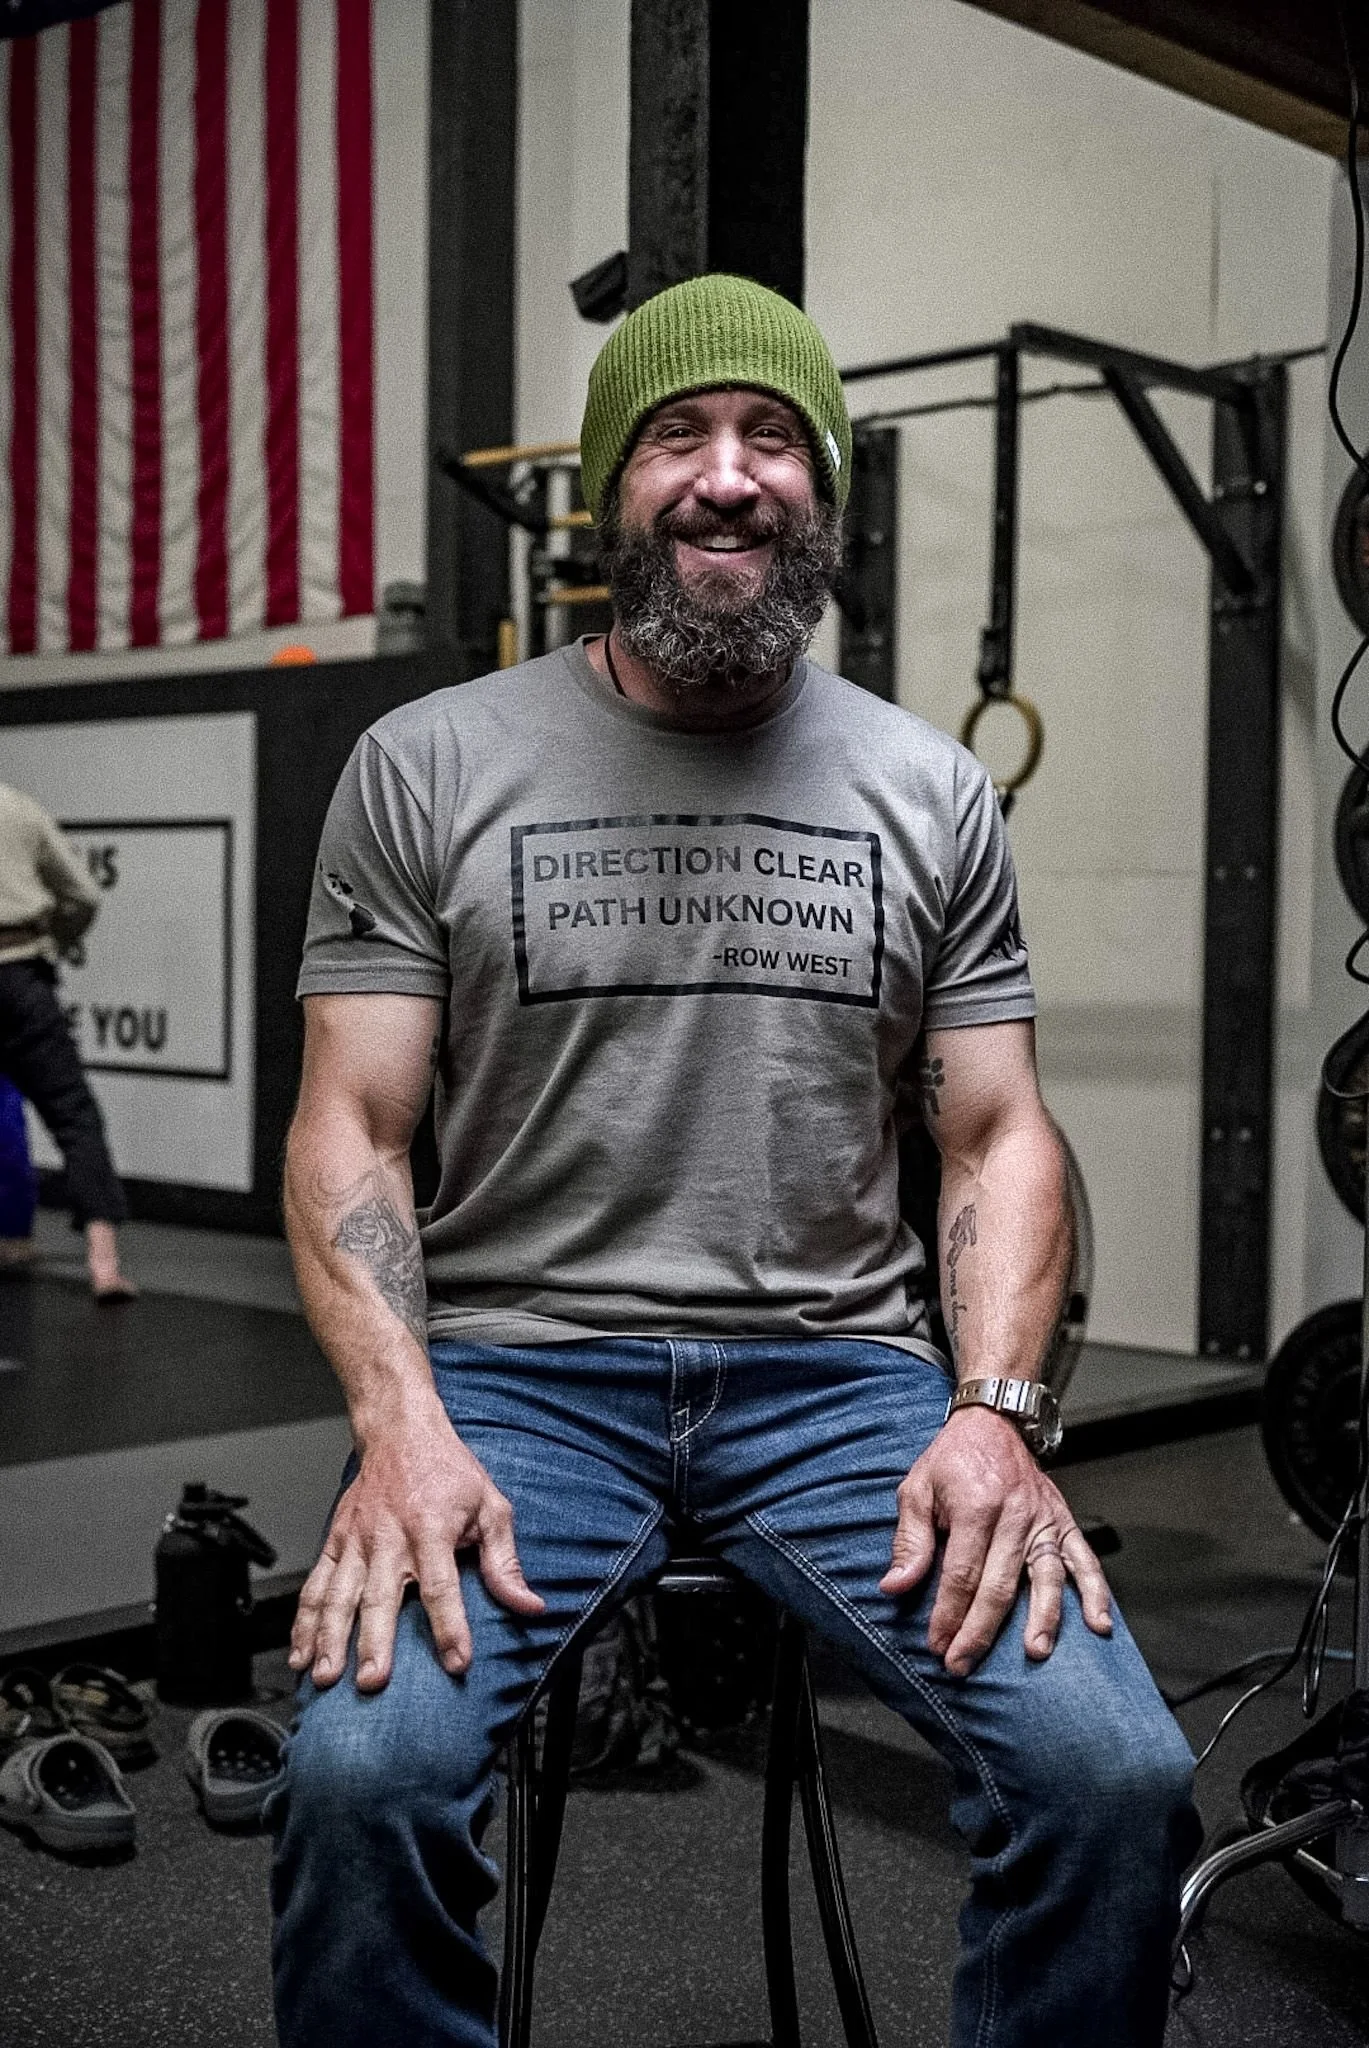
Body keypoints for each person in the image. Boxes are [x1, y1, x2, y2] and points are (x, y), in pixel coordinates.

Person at [272, 274, 1199, 2048]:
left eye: (770, 436)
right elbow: (351, 1124)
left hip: (841, 1383)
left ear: (820, 496)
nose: (725, 474)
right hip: (513, 1380)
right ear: (610, 490)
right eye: (675, 436)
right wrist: (398, 1424)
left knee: (1107, 1775)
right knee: (358, 1780)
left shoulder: (926, 790)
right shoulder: (428, 762)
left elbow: (995, 1131)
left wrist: (991, 1411)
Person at [0, 783, 135, 1300]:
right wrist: (56, 939)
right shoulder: (18, 808)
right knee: (74, 1116)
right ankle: (103, 1267)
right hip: (22, 977)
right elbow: (83, 894)